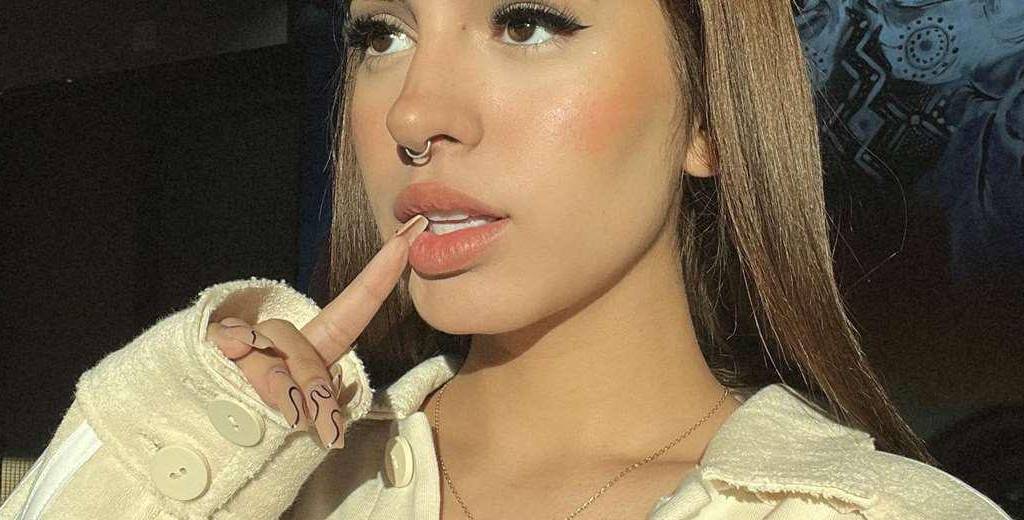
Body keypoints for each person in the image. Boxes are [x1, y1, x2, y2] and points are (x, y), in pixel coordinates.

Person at [0, 0, 1013, 518]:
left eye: (525, 23)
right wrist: (179, 442)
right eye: (383, 35)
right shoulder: (237, 476)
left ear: (708, 113)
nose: (412, 114)